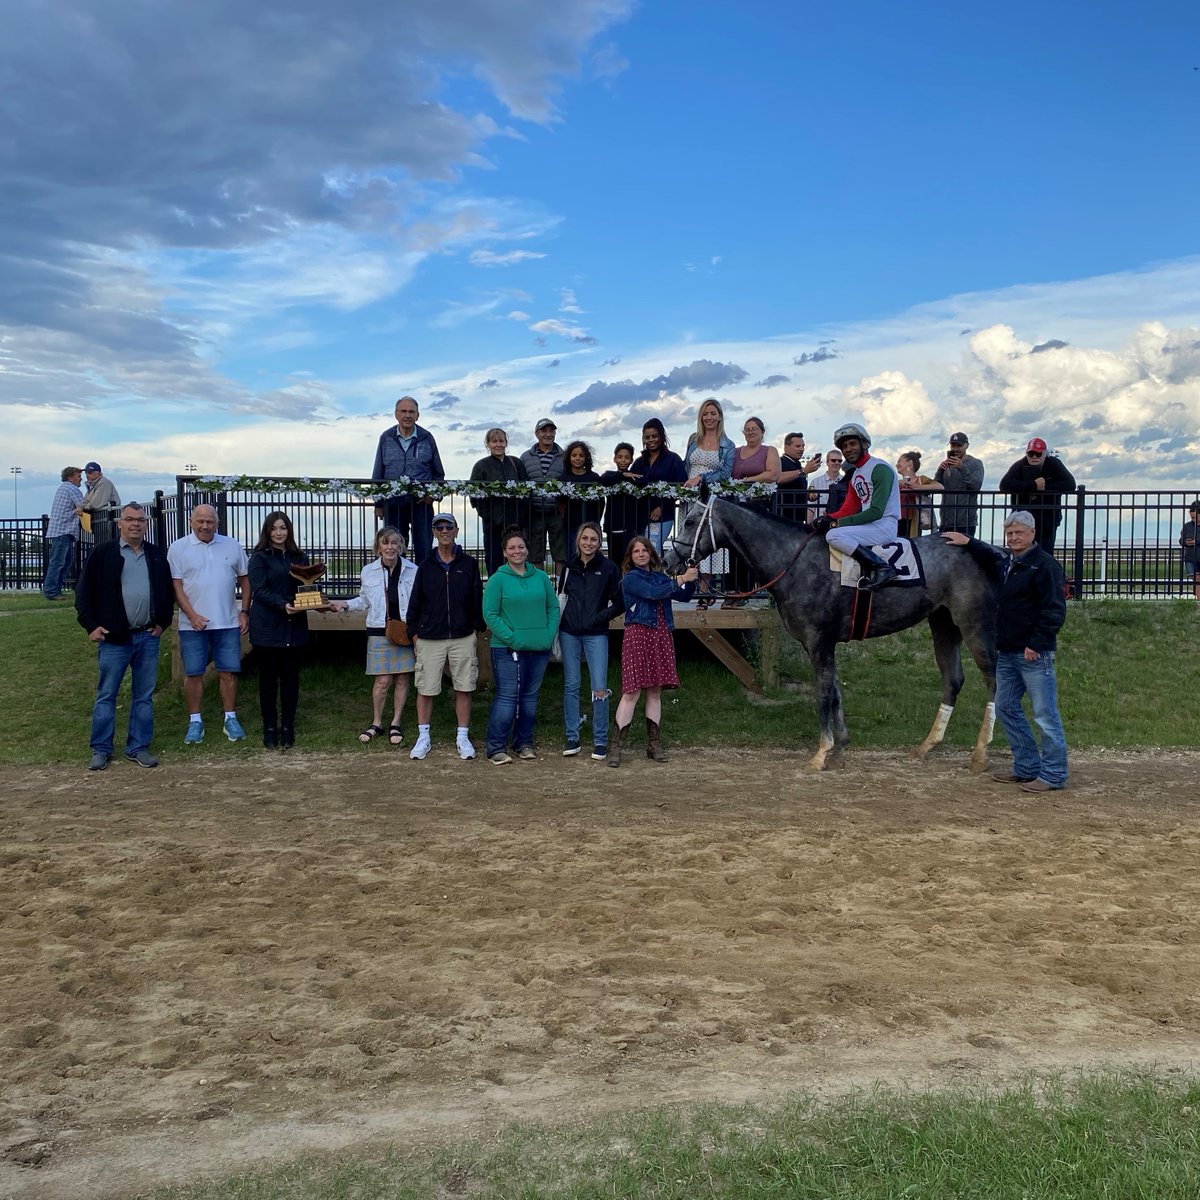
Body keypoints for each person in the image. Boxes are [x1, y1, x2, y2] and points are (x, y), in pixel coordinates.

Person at [942, 511, 1068, 792]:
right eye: (1009, 534)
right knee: (1006, 707)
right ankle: (1026, 768)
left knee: (1045, 715)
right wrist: (968, 541)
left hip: (1033, 654)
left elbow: (1054, 610)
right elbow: (990, 555)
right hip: (1007, 652)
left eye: (1019, 533)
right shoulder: (1009, 562)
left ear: (1032, 533)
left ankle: (1054, 775)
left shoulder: (1044, 566)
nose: (1013, 538)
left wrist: (1036, 644)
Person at [75, 502, 174, 770]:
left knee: (143, 695)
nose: (135, 524)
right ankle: (101, 749)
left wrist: (162, 622)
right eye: (130, 519)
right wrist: (91, 626)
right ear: (120, 523)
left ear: (146, 525)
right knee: (107, 694)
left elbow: (167, 591)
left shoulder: (155, 555)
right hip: (113, 639)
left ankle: (138, 747)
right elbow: (83, 594)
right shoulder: (103, 554)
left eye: (140, 520)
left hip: (147, 637)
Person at [608, 536, 697, 767]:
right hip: (638, 635)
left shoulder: (660, 577)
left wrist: (691, 575)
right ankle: (616, 747)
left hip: (660, 635)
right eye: (636, 551)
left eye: (644, 550)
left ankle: (653, 744)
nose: (641, 554)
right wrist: (680, 579)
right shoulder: (630, 580)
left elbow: (684, 595)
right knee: (631, 692)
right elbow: (653, 593)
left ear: (651, 554)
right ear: (630, 556)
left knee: (655, 692)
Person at [404, 512, 485, 761]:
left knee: (464, 687)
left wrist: (474, 629)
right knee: (426, 689)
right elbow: (415, 601)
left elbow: (476, 599)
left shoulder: (469, 564)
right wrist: (414, 634)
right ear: (434, 532)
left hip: (462, 636)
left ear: (456, 530)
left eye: (448, 526)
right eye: (439, 527)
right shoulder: (425, 566)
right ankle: (423, 736)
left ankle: (462, 736)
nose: (444, 530)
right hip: (429, 637)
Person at [168, 504, 251, 744]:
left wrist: (244, 611)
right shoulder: (178, 548)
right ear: (191, 522)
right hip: (192, 626)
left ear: (217, 523)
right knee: (193, 674)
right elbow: (177, 586)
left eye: (210, 522)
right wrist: (192, 615)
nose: (205, 526)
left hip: (227, 622)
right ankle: (195, 722)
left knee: (228, 673)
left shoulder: (232, 545)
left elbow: (245, 580)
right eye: (200, 521)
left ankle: (230, 719)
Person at [330, 527, 417, 746]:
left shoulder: (413, 570)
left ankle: (396, 722)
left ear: (401, 546)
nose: (390, 547)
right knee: (382, 680)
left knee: (402, 678)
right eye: (385, 543)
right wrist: (345, 605)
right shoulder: (368, 571)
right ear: (378, 547)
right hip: (379, 631)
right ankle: (377, 722)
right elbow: (364, 600)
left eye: (394, 543)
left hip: (405, 632)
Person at [482, 527, 559, 764]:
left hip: (538, 648)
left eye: (521, 547)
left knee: (529, 697)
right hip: (507, 649)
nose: (518, 551)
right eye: (512, 547)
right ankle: (496, 747)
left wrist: (547, 636)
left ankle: (523, 743)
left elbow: (553, 608)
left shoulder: (541, 577)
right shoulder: (498, 579)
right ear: (505, 552)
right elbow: (490, 614)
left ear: (527, 549)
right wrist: (513, 638)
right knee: (507, 696)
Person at [810, 422, 901, 592]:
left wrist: (836, 524)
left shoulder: (880, 468)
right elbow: (849, 509)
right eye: (844, 446)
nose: (848, 449)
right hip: (870, 525)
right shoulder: (856, 475)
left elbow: (876, 511)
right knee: (828, 531)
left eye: (852, 444)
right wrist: (828, 518)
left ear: (864, 444)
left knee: (834, 535)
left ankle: (883, 568)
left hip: (884, 525)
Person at [558, 521, 622, 759]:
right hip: (569, 632)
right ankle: (572, 736)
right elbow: (562, 596)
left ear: (600, 542)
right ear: (578, 540)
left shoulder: (608, 568)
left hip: (596, 633)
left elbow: (620, 602)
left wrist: (600, 617)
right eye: (585, 538)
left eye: (593, 539)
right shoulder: (569, 567)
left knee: (599, 686)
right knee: (571, 685)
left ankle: (600, 740)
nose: (588, 543)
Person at [247, 511, 311, 750]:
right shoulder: (260, 558)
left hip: (294, 628)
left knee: (291, 680)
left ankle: (288, 726)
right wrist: (283, 604)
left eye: (283, 528)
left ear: (289, 530)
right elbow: (259, 590)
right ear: (267, 531)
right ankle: (270, 727)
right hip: (268, 627)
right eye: (274, 528)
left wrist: (313, 601)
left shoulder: (299, 557)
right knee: (268, 680)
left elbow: (306, 585)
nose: (279, 533)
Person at [371, 395, 445, 564]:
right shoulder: (386, 437)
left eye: (411, 412)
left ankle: (422, 587)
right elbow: (378, 472)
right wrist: (378, 504)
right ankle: (396, 586)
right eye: (403, 411)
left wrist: (431, 496)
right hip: (393, 503)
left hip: (421, 504)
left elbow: (438, 473)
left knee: (424, 547)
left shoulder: (427, 438)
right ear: (396, 414)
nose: (407, 415)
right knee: (394, 547)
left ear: (418, 415)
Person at [684, 398, 736, 607]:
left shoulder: (727, 445)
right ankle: (691, 586)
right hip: (691, 498)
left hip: (712, 497)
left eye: (713, 413)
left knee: (707, 539)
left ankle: (705, 590)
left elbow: (725, 473)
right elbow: (686, 465)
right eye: (705, 414)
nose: (709, 417)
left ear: (720, 416)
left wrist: (702, 479)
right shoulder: (693, 439)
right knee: (689, 540)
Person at [725, 416, 781, 606]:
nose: (750, 432)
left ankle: (752, 591)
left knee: (754, 550)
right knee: (735, 548)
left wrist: (748, 480)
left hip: (758, 507)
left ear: (762, 432)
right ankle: (734, 591)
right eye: (747, 429)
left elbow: (773, 474)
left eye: (754, 428)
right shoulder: (736, 451)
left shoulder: (769, 450)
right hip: (736, 507)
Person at [999, 437, 1076, 555]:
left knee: (1045, 552)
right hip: (1023, 519)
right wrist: (1033, 485)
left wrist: (1046, 487)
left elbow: (1070, 484)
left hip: (1048, 518)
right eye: (1031, 454)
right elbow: (1004, 485)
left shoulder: (1054, 464)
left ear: (1044, 454)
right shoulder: (1020, 465)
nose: (1034, 457)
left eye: (1038, 454)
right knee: (1022, 551)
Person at [468, 428, 529, 577]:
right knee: (494, 561)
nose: (498, 444)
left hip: (515, 524)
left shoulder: (516, 463)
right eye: (494, 441)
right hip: (492, 525)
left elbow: (527, 489)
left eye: (501, 441)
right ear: (488, 444)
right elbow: (474, 494)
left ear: (506, 443)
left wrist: (521, 516)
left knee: (516, 559)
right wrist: (488, 515)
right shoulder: (481, 466)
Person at [630, 418, 688, 555]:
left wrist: (662, 506)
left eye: (654, 436)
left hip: (663, 517)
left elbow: (681, 487)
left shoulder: (673, 459)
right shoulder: (639, 462)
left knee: (652, 549)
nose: (651, 440)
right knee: (642, 553)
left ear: (661, 436)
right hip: (641, 517)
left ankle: (657, 576)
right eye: (647, 437)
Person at [520, 418, 566, 578]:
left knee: (561, 553)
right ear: (537, 433)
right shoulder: (525, 457)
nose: (548, 434)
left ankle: (561, 591)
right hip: (534, 512)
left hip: (557, 512)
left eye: (551, 431)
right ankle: (539, 587)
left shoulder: (564, 456)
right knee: (535, 554)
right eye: (544, 431)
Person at [43, 466, 84, 600]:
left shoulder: (63, 488)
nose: (81, 479)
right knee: (58, 562)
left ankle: (55, 590)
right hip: (63, 530)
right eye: (78, 476)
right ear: (70, 477)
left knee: (64, 562)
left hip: (60, 531)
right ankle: (51, 591)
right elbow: (84, 505)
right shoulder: (72, 489)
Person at [598, 441, 641, 567]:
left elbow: (643, 482)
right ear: (614, 459)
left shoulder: (634, 477)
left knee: (629, 560)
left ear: (631, 460)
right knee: (614, 562)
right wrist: (622, 475)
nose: (623, 460)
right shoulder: (610, 475)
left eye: (627, 457)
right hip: (612, 527)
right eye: (620, 457)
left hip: (630, 528)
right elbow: (604, 479)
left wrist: (628, 477)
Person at [556, 440, 605, 551]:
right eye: (574, 455)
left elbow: (601, 503)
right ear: (569, 457)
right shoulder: (563, 479)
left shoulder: (594, 478)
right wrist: (565, 518)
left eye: (581, 455)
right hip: (572, 525)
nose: (578, 458)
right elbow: (560, 502)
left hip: (591, 525)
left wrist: (596, 521)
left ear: (586, 458)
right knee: (573, 555)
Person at [934, 432, 985, 537]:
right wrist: (940, 470)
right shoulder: (947, 464)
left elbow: (976, 486)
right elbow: (937, 486)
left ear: (967, 446)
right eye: (953, 445)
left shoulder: (976, 464)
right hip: (946, 521)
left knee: (964, 552)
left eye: (959, 445)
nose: (956, 449)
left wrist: (961, 467)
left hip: (966, 522)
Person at [776, 432, 822, 524]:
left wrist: (809, 495)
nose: (801, 449)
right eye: (797, 446)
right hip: (783, 518)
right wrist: (803, 471)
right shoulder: (780, 462)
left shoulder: (797, 465)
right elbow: (778, 478)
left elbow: (795, 486)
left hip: (798, 518)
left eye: (803, 446)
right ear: (786, 447)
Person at [896, 451, 942, 537]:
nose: (897, 464)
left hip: (913, 521)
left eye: (899, 461)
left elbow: (940, 487)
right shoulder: (897, 483)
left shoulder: (921, 479)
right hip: (897, 520)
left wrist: (917, 487)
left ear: (909, 463)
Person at [79, 462, 122, 545]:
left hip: (108, 521)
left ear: (98, 473)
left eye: (90, 472)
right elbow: (85, 501)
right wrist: (83, 506)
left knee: (106, 544)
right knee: (100, 545)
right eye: (86, 473)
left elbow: (96, 503)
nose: (87, 475)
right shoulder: (93, 486)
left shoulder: (104, 483)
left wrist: (82, 508)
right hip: (100, 521)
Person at [807, 448, 844, 523]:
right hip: (819, 525)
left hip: (840, 524)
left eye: (839, 461)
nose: (837, 463)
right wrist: (809, 527)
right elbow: (810, 508)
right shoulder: (815, 482)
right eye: (833, 460)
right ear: (827, 462)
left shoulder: (846, 482)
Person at [1181, 501, 1200, 601]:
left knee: (1198, 580)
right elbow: (1181, 540)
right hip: (1191, 558)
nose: (1193, 519)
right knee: (1196, 580)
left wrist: (1196, 541)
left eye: (1195, 517)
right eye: (1192, 517)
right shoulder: (1187, 526)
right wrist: (1185, 541)